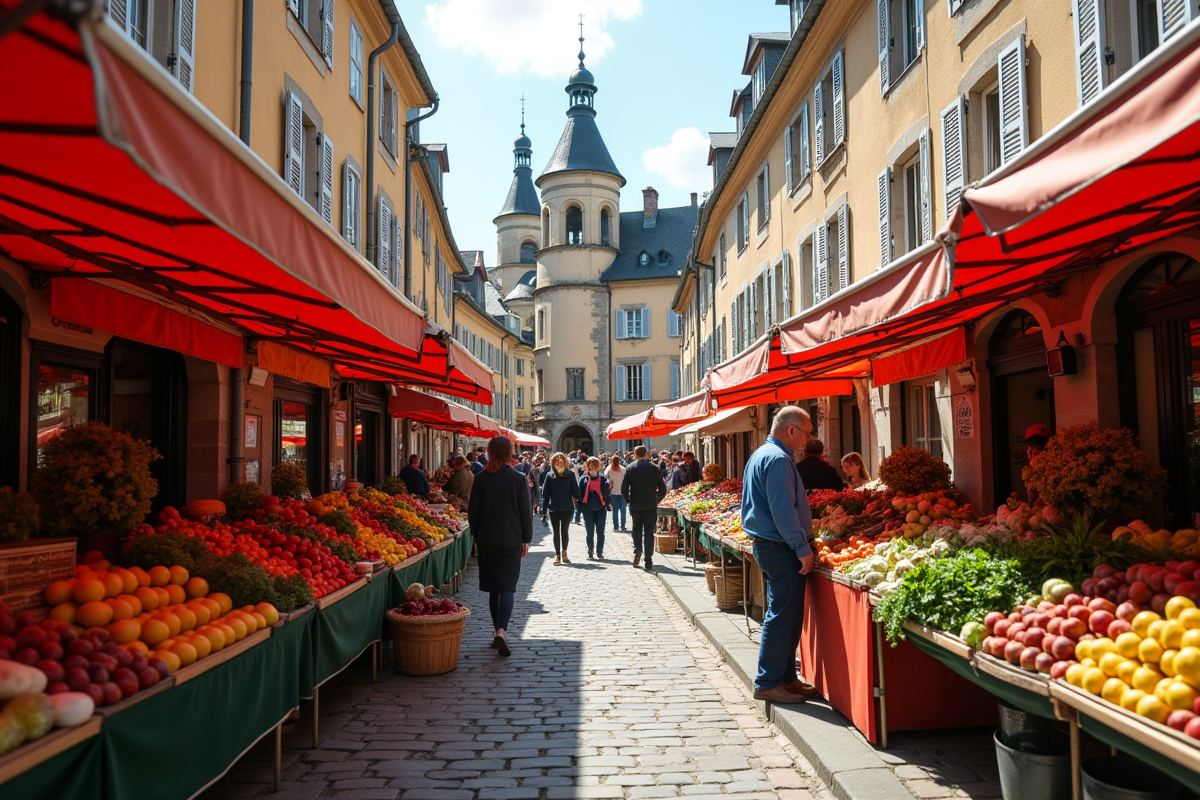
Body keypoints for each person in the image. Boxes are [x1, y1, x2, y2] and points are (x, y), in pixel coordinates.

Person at [742, 406, 819, 705]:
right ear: (791, 430)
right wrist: (802, 547)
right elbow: (783, 510)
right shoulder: (777, 460)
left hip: (770, 544)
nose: (808, 439)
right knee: (781, 615)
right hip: (779, 547)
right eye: (806, 432)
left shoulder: (762, 454)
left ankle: (786, 678)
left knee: (788, 615)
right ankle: (769, 681)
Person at [467, 435, 532, 658]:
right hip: (511, 539)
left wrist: (476, 535)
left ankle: (497, 631)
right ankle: (502, 631)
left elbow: (472, 512)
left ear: (490, 452)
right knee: (507, 586)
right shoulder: (518, 478)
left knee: (494, 588)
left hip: (487, 540)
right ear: (509, 452)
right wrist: (526, 539)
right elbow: (526, 513)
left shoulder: (481, 478)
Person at [623, 445, 667, 571]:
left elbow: (624, 488)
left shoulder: (630, 468)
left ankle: (637, 550)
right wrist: (657, 499)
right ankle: (648, 560)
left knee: (636, 529)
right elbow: (662, 488)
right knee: (649, 532)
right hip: (650, 505)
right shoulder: (653, 468)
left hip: (636, 504)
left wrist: (628, 500)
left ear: (635, 455)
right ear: (646, 454)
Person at [541, 452, 580, 565]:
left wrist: (580, 499)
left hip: (567, 507)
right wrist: (543, 510)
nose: (559, 465)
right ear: (553, 464)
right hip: (554, 507)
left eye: (561, 463)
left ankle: (565, 553)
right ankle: (557, 554)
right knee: (556, 532)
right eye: (557, 463)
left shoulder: (570, 475)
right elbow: (545, 494)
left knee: (565, 531)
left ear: (565, 463)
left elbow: (575, 491)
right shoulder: (550, 476)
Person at [578, 457, 612, 560]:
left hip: (601, 508)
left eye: (595, 466)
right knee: (590, 532)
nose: (592, 469)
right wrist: (579, 511)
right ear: (587, 467)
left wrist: (607, 503)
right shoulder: (583, 479)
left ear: (598, 467)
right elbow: (580, 495)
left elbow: (607, 493)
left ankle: (600, 551)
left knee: (600, 531)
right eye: (590, 467)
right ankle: (590, 551)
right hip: (587, 508)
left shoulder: (602, 479)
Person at [1024, 423, 1053, 506]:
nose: (1033, 457)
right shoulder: (1029, 472)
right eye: (1030, 453)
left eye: (1036, 454)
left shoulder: (1053, 471)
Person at [605, 455, 628, 532]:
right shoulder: (623, 469)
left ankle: (615, 527)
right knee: (623, 510)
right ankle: (623, 526)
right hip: (622, 492)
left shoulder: (609, 470)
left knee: (615, 510)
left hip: (613, 492)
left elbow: (605, 476)